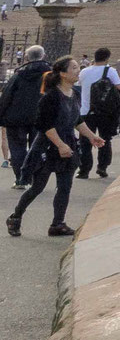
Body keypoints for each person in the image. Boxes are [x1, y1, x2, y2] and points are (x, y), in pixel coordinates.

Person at [8, 57, 101, 238]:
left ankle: (57, 224)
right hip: (48, 147)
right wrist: (60, 145)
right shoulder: (50, 97)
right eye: (74, 67)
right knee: (37, 187)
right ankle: (15, 217)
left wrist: (92, 136)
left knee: (65, 187)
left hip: (67, 146)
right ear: (62, 73)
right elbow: (44, 125)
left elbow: (77, 120)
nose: (78, 70)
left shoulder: (74, 94)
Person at [1, 47, 51, 188]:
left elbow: (6, 96)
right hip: (41, 117)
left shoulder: (18, 75)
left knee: (17, 148)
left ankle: (21, 179)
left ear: (26, 57)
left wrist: (2, 115)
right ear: (44, 55)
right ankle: (35, 178)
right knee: (38, 148)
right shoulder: (50, 75)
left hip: (16, 118)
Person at [75, 50, 120, 179]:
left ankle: (84, 170)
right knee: (105, 139)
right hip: (105, 111)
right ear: (107, 58)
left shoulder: (84, 71)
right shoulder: (110, 71)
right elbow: (119, 87)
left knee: (85, 141)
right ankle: (102, 167)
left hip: (86, 111)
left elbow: (78, 85)